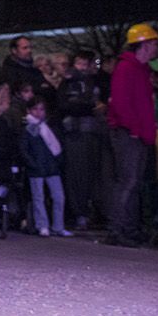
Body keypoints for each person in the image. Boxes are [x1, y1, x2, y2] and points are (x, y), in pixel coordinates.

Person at [103, 23, 158, 248]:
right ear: (144, 45)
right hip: (130, 134)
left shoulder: (139, 69)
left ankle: (128, 228)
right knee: (128, 182)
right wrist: (135, 129)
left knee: (133, 183)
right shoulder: (127, 69)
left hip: (137, 134)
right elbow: (121, 103)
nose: (156, 48)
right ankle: (117, 229)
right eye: (153, 43)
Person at [56, 51, 107, 230]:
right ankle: (79, 213)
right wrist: (90, 107)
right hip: (76, 133)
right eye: (79, 63)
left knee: (94, 175)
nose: (83, 67)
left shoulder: (96, 80)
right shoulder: (69, 82)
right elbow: (65, 105)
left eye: (86, 63)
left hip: (95, 132)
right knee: (77, 175)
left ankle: (94, 212)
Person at [21, 99, 69, 237]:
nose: (38, 112)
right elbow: (24, 150)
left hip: (51, 167)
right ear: (29, 111)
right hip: (36, 169)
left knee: (59, 197)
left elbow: (56, 146)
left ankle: (58, 226)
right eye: (35, 109)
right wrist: (32, 164)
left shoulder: (48, 127)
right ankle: (42, 225)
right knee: (38, 198)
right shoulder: (27, 129)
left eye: (41, 109)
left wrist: (57, 162)